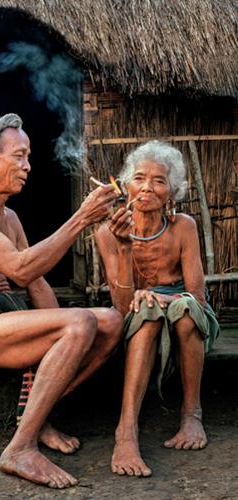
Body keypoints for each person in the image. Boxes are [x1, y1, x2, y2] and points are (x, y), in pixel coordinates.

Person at [0, 110, 124, 489]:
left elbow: (36, 283)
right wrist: (81, 217)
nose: (28, 166)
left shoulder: (10, 217)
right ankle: (19, 448)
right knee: (80, 321)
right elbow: (19, 270)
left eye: (28, 156)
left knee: (111, 321)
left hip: (5, 326)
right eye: (19, 156)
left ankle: (38, 415)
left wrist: (66, 336)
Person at [95, 140, 219, 478]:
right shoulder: (107, 233)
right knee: (146, 313)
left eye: (159, 181)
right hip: (139, 314)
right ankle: (126, 432)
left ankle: (192, 415)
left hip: (183, 308)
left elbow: (197, 295)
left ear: (172, 193)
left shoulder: (184, 227)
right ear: (126, 186)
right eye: (139, 178)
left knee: (184, 310)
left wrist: (162, 298)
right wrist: (123, 249)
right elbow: (122, 307)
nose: (148, 187)